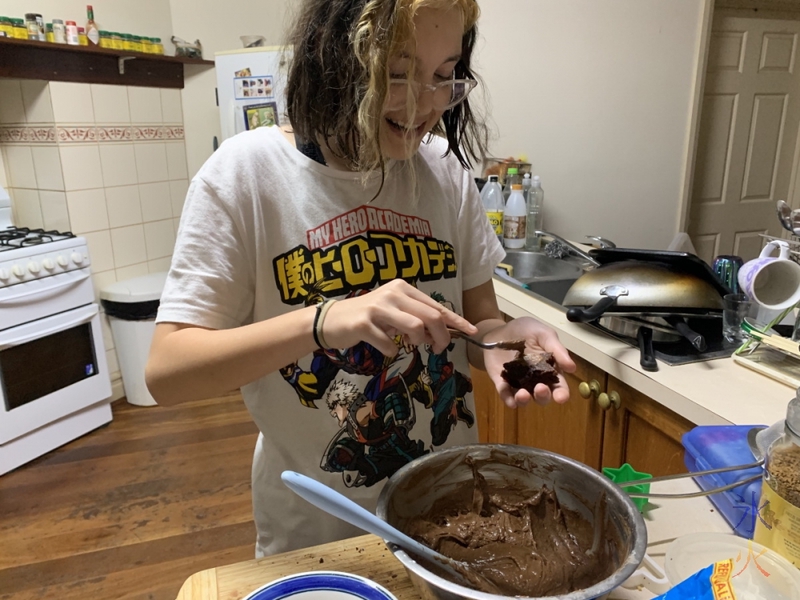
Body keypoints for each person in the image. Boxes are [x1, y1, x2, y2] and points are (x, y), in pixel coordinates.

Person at [145, 0, 576, 558]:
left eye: (443, 77)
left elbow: (478, 320)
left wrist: (498, 341)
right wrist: (324, 320)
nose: (424, 105)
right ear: (335, 57)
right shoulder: (246, 177)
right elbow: (168, 373)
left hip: (447, 519)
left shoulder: (443, 172)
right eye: (396, 74)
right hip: (319, 535)